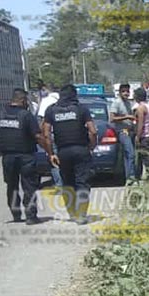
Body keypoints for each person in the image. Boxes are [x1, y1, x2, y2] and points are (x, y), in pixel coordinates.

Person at [0, 89, 44, 224]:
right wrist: (48, 149)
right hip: (26, 157)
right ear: (23, 101)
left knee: (11, 186)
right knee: (29, 186)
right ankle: (30, 216)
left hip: (8, 157)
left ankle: (16, 214)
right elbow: (37, 136)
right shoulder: (27, 115)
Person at [42, 84, 96, 224]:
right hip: (81, 149)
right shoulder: (81, 109)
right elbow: (93, 131)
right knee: (82, 182)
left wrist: (50, 153)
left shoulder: (51, 110)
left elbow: (46, 134)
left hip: (63, 152)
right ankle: (82, 215)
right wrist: (91, 146)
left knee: (68, 183)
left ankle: (72, 213)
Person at [108, 84, 138, 186]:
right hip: (122, 131)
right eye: (124, 91)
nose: (126, 93)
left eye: (127, 91)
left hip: (130, 131)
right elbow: (112, 118)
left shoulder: (128, 103)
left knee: (127, 155)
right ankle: (131, 176)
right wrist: (126, 117)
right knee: (131, 154)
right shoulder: (116, 103)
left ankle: (128, 178)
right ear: (120, 92)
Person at [35, 83, 63, 187]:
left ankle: (60, 184)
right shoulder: (63, 99)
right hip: (65, 135)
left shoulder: (45, 101)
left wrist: (42, 139)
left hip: (51, 135)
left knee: (54, 160)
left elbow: (41, 122)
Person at [132, 87, 149, 181]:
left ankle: (145, 176)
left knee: (142, 157)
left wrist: (137, 136)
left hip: (144, 136)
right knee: (148, 156)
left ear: (137, 97)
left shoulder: (140, 108)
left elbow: (140, 123)